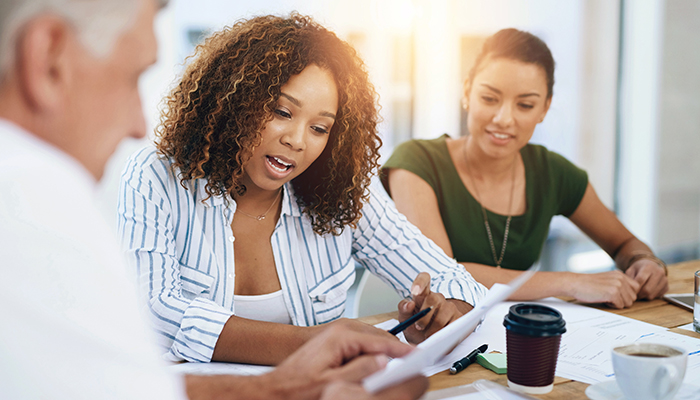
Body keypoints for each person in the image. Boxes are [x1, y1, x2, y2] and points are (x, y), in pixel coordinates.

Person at [0, 0, 427, 398]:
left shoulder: (339, 183)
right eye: (131, 77)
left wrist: (285, 387)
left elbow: (112, 383)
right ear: (49, 58)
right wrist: (294, 373)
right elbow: (145, 335)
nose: (137, 123)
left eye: (320, 127)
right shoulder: (28, 198)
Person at [117, 14, 487, 365]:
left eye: (320, 128)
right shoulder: (157, 178)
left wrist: (442, 316)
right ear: (236, 102)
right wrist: (318, 341)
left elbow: (456, 281)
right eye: (281, 111)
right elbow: (156, 311)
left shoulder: (342, 191)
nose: (297, 141)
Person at [382, 28, 668, 309]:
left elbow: (625, 243)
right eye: (490, 98)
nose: (504, 118)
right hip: (432, 338)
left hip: (517, 334)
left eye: (525, 105)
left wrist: (644, 262)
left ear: (544, 109)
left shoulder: (552, 172)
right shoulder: (417, 162)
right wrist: (570, 282)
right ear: (467, 92)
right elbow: (441, 275)